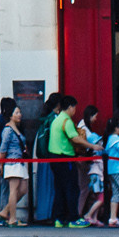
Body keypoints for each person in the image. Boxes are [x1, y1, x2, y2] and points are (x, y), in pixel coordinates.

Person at [43, 94, 81, 228]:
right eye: (74, 108)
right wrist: (93, 146)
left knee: (59, 189)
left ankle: (58, 218)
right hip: (65, 158)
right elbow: (75, 138)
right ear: (70, 107)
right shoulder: (66, 121)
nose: (75, 111)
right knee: (72, 188)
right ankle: (73, 219)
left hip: (53, 158)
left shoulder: (56, 119)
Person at [0, 100, 28, 226]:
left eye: (20, 112)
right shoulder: (8, 130)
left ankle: (5, 211)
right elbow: (2, 149)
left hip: (19, 162)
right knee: (14, 190)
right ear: (10, 115)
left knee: (23, 189)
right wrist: (2, 165)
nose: (19, 115)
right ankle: (12, 218)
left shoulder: (17, 128)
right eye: (17, 112)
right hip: (12, 162)